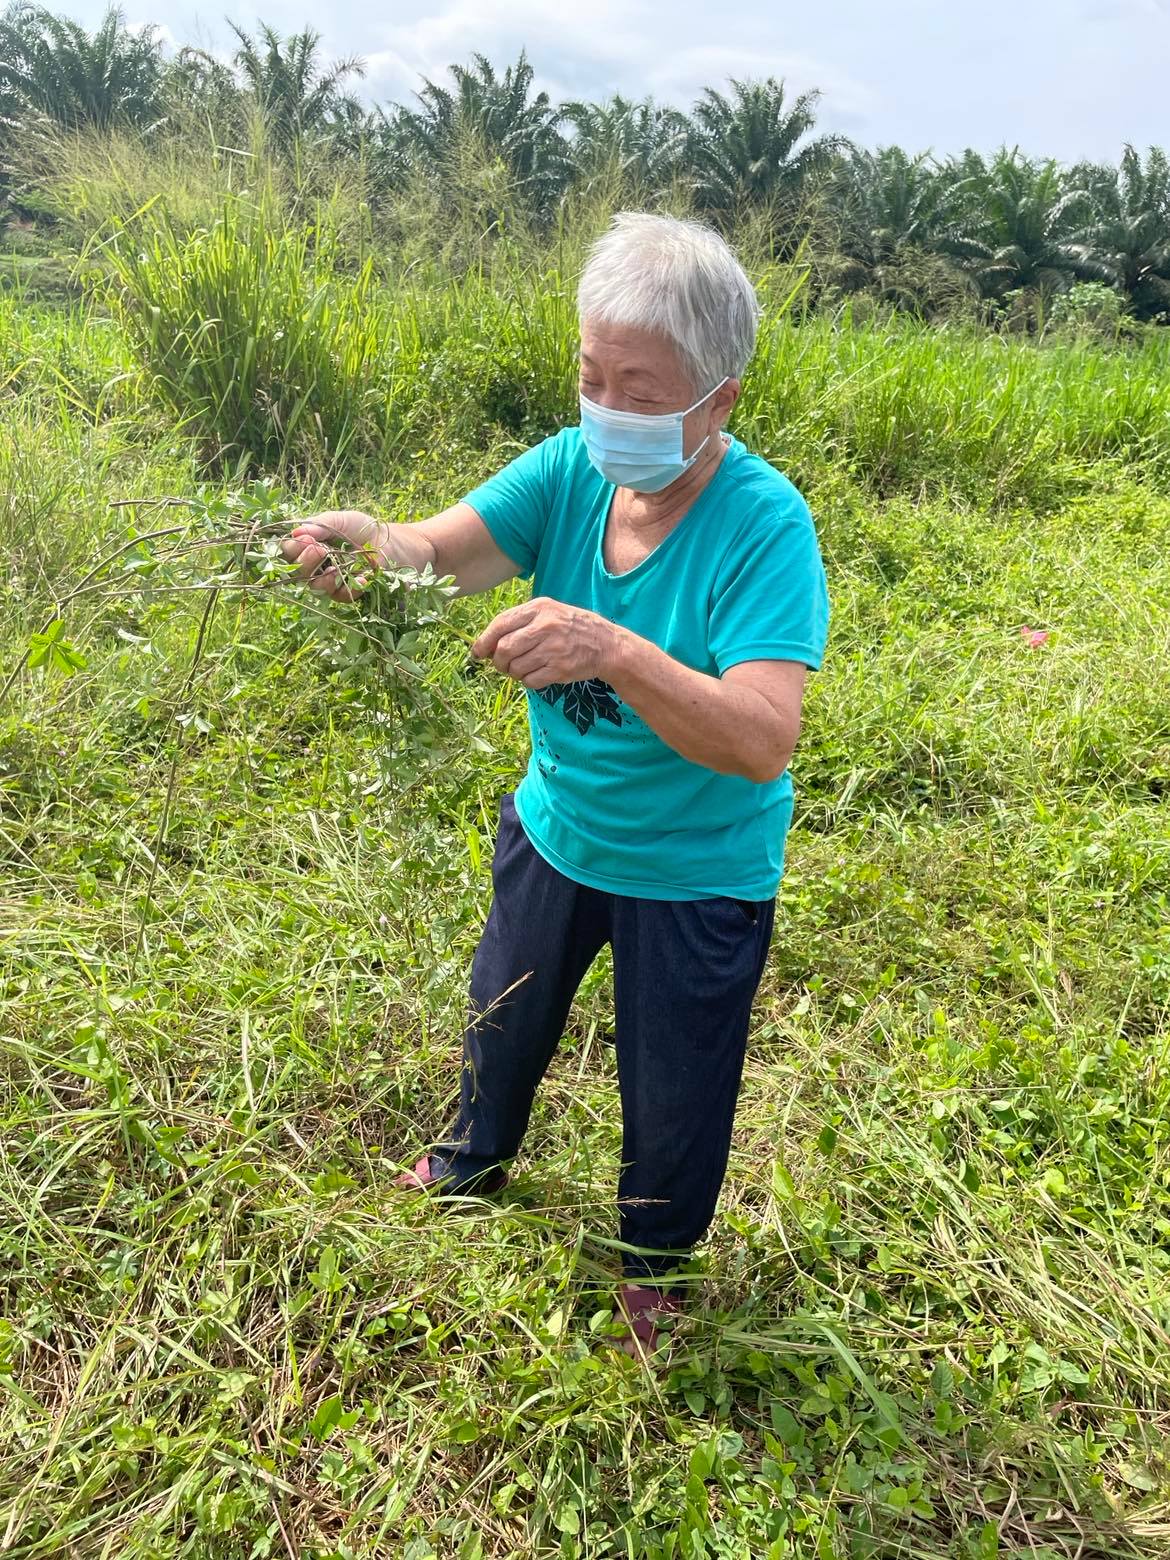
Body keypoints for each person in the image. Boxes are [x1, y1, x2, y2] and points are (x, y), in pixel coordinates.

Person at [282, 212, 830, 1363]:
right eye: (592, 378)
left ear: (718, 401)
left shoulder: (765, 527)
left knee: (676, 1088)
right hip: (557, 830)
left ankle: (653, 1262)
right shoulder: (568, 470)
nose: (606, 409)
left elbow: (762, 740)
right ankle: (471, 1158)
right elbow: (438, 554)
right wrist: (369, 546)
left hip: (696, 871)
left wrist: (614, 650)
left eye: (641, 392)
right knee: (504, 1013)